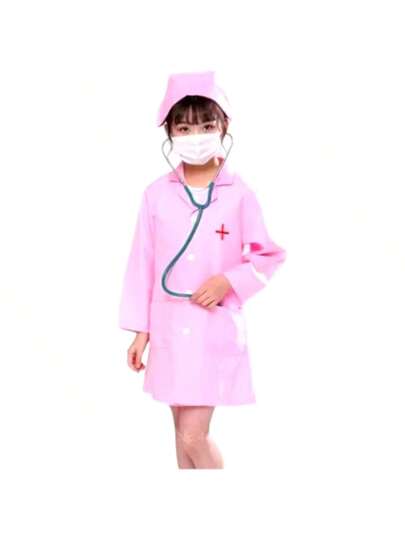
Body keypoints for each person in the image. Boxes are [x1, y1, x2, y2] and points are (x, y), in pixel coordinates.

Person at [118, 70, 287, 469]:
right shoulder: (156, 195)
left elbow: (268, 255)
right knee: (181, 435)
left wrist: (228, 280)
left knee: (194, 434)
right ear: (170, 133)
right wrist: (141, 333)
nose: (196, 136)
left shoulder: (239, 194)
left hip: (212, 329)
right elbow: (142, 264)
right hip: (168, 329)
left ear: (223, 127)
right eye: (184, 127)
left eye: (206, 126)